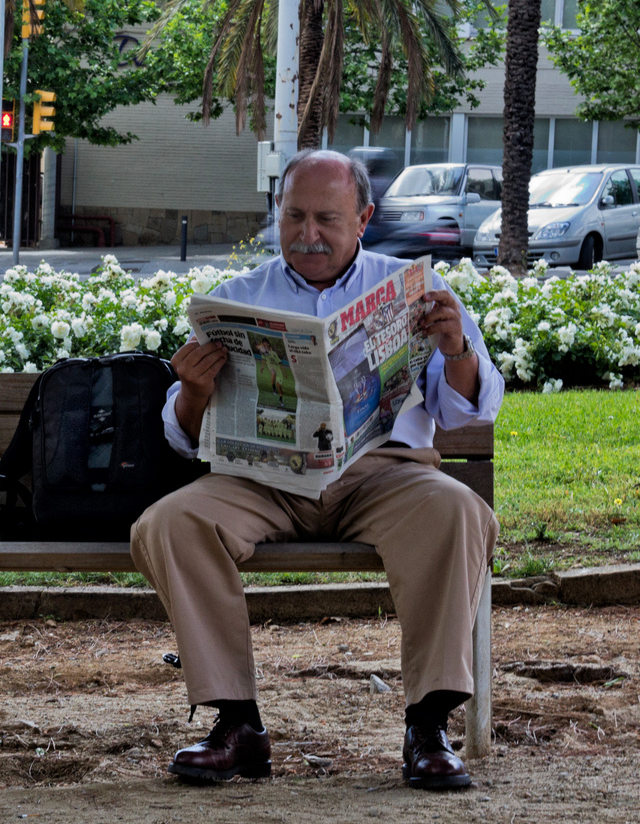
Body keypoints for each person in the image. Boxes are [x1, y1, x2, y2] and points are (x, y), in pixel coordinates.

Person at [130, 148, 504, 791]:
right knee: (169, 523)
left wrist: (457, 348)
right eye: (294, 216)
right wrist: (191, 391)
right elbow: (181, 435)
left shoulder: (416, 292)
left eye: (327, 219)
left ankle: (428, 726)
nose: (308, 235)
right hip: (265, 478)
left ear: (363, 218)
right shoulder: (236, 300)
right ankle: (238, 723)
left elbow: (468, 408)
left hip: (381, 473)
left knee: (459, 509)